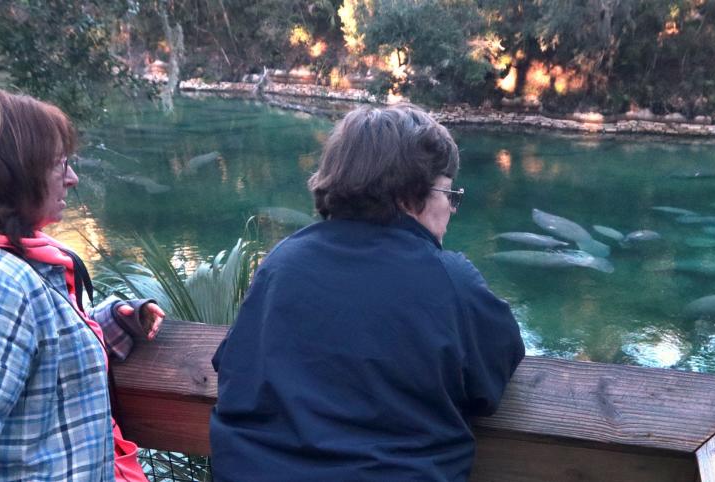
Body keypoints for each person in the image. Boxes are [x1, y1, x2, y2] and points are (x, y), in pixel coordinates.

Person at [210, 103, 525, 481]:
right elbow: (490, 378)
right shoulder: (449, 279)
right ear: (411, 193)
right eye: (448, 193)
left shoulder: (282, 262)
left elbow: (230, 363)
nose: (451, 209)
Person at [0, 89, 165, 481]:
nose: (72, 178)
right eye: (57, 165)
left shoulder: (6, 266)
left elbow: (37, 362)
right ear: (9, 175)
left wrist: (114, 322)